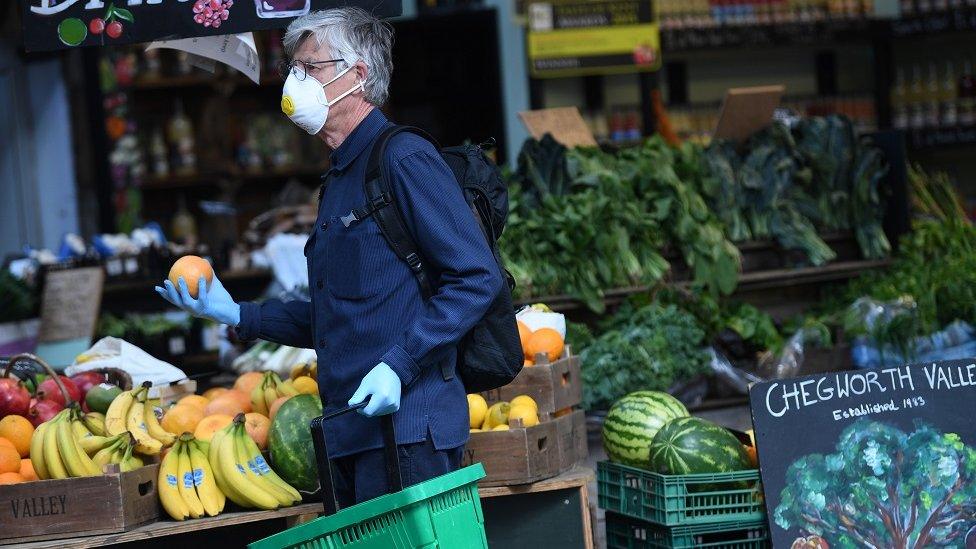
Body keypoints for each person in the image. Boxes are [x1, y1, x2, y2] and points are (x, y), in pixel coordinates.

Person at [156, 7, 503, 505]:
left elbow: (475, 277)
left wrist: (400, 365)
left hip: (408, 434)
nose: (295, 82)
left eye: (309, 68)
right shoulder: (341, 177)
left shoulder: (403, 159)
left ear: (357, 74)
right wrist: (239, 313)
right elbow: (339, 315)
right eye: (292, 69)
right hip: (353, 437)